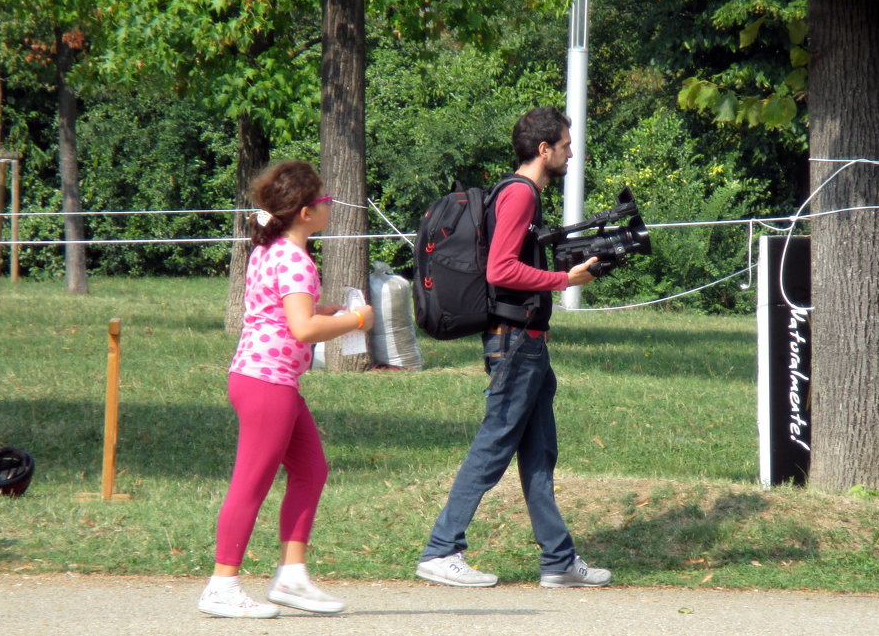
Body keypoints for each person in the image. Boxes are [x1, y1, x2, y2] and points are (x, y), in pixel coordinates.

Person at [415, 106, 612, 589]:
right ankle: (442, 549)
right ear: (544, 150)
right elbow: (500, 270)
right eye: (565, 145)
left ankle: (559, 562)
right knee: (494, 445)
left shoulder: (515, 191)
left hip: (528, 344)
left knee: (540, 452)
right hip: (515, 343)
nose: (571, 152)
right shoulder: (521, 194)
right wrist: (565, 278)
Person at [198, 161, 375, 619]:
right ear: (304, 212)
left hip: (268, 380)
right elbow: (302, 328)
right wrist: (356, 321)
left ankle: (291, 576)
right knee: (250, 484)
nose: (330, 206)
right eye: (325, 201)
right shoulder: (295, 259)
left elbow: (282, 310)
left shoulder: (272, 248)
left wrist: (328, 308)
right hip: (267, 383)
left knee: (311, 470)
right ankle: (222, 585)